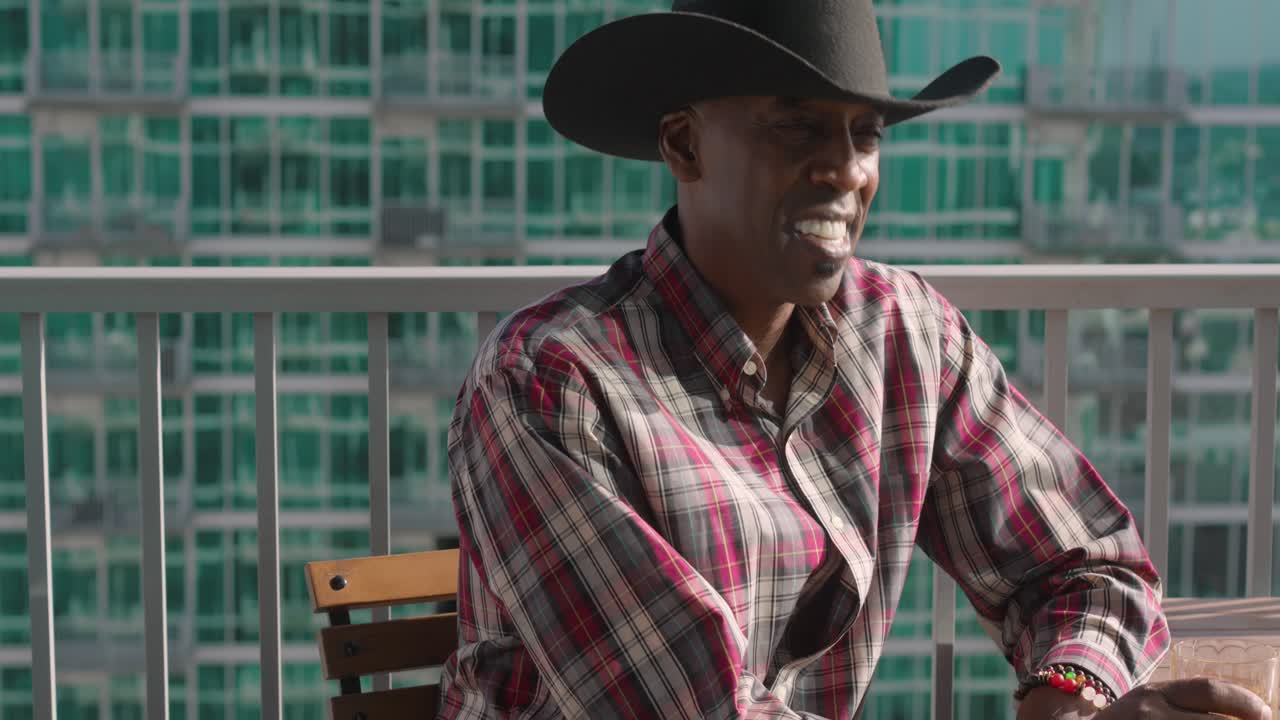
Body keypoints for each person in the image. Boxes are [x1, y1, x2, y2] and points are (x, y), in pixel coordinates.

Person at [438, 2, 1270, 719]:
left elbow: (1087, 568)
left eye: (865, 133)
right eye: (798, 125)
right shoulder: (545, 382)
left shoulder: (902, 331)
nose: (847, 169)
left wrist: (1071, 695)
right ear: (685, 146)